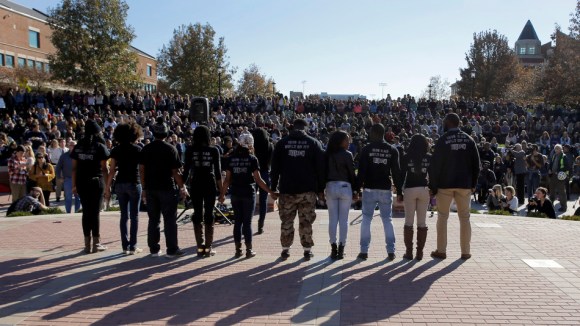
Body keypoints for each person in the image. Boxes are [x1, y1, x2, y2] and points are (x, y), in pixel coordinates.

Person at [270, 119, 325, 261]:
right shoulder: (313, 143)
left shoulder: (282, 143)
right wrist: (320, 189)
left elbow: (274, 168)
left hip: (287, 190)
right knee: (306, 221)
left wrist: (273, 188)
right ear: (305, 128)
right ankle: (307, 250)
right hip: (307, 190)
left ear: (293, 127)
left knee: (286, 221)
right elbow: (320, 169)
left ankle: (285, 250)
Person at [429, 113, 480, 260]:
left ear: (448, 123)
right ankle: (465, 252)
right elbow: (476, 164)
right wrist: (474, 183)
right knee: (465, 217)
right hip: (464, 184)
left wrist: (433, 186)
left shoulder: (443, 140)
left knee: (443, 217)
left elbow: (434, 165)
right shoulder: (469, 140)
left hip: (445, 184)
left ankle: (441, 250)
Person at [219, 133, 274, 258]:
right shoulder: (252, 159)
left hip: (235, 193)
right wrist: (271, 192)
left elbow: (227, 180)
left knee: (238, 222)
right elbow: (259, 180)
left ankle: (238, 250)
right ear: (250, 144)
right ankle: (249, 250)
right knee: (247, 223)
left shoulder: (231, 159)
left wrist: (222, 195)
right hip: (249, 193)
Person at [139, 118, 189, 258]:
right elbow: (176, 172)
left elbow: (141, 170)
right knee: (169, 220)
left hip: (150, 188)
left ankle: (154, 249)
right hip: (167, 187)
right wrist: (182, 187)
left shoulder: (146, 148)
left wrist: (144, 188)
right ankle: (172, 249)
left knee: (153, 219)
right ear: (166, 134)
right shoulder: (171, 149)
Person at [355, 123, 403, 261]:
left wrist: (357, 189)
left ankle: (364, 251)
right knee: (387, 220)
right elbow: (396, 172)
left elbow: (362, 172)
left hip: (369, 188)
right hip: (385, 189)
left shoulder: (366, 149)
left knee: (366, 219)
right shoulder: (392, 150)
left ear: (373, 133)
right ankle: (391, 251)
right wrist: (399, 191)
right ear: (383, 134)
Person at [71, 120, 110, 254]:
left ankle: (87, 245)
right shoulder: (100, 146)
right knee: (95, 212)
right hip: (96, 181)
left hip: (82, 182)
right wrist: (108, 186)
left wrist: (74, 185)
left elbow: (74, 168)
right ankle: (96, 243)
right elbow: (104, 169)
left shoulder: (78, 146)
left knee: (86, 212)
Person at [105, 122, 143, 255]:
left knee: (124, 216)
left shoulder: (116, 150)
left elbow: (111, 171)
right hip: (134, 181)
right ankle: (133, 246)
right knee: (135, 216)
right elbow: (142, 170)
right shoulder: (138, 149)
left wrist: (107, 188)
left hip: (120, 183)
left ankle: (124, 245)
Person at [184, 125, 222, 257]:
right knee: (209, 213)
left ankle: (200, 247)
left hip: (196, 183)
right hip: (209, 183)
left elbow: (186, 171)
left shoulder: (190, 150)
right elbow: (217, 173)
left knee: (197, 213)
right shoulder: (214, 150)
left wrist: (181, 185)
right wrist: (222, 191)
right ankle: (209, 247)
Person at [324, 130, 356, 260]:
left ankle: (333, 248)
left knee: (332, 219)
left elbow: (323, 172)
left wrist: (321, 189)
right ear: (341, 141)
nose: (349, 142)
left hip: (331, 186)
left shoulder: (327, 154)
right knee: (344, 220)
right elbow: (352, 174)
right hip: (345, 187)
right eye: (347, 139)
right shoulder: (347, 154)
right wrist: (356, 190)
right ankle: (341, 249)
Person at [400, 134, 430, 261]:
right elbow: (433, 174)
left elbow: (401, 175)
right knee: (422, 222)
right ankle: (420, 253)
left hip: (410, 189)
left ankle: (409, 252)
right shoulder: (429, 157)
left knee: (408, 222)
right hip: (424, 189)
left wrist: (399, 192)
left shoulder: (406, 157)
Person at [251, 128, 274, 235]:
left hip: (253, 173)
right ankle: (261, 225)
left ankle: (247, 224)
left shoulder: (253, 145)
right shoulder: (270, 145)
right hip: (265, 172)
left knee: (251, 199)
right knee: (263, 200)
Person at [55, 141, 81, 213]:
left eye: (74, 145)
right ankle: (68, 213)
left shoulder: (80, 155)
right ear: (68, 146)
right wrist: (59, 177)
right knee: (68, 197)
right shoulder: (64, 156)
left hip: (78, 179)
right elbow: (58, 167)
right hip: (68, 179)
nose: (73, 146)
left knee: (78, 197)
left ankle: (77, 212)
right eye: (71, 145)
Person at [548, 144, 571, 212]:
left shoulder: (564, 156)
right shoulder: (554, 155)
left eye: (558, 148)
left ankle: (563, 207)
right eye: (555, 148)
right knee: (551, 191)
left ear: (561, 149)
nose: (556, 150)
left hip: (560, 176)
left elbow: (567, 167)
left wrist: (559, 171)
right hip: (553, 176)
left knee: (561, 192)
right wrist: (549, 169)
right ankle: (550, 204)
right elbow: (551, 164)